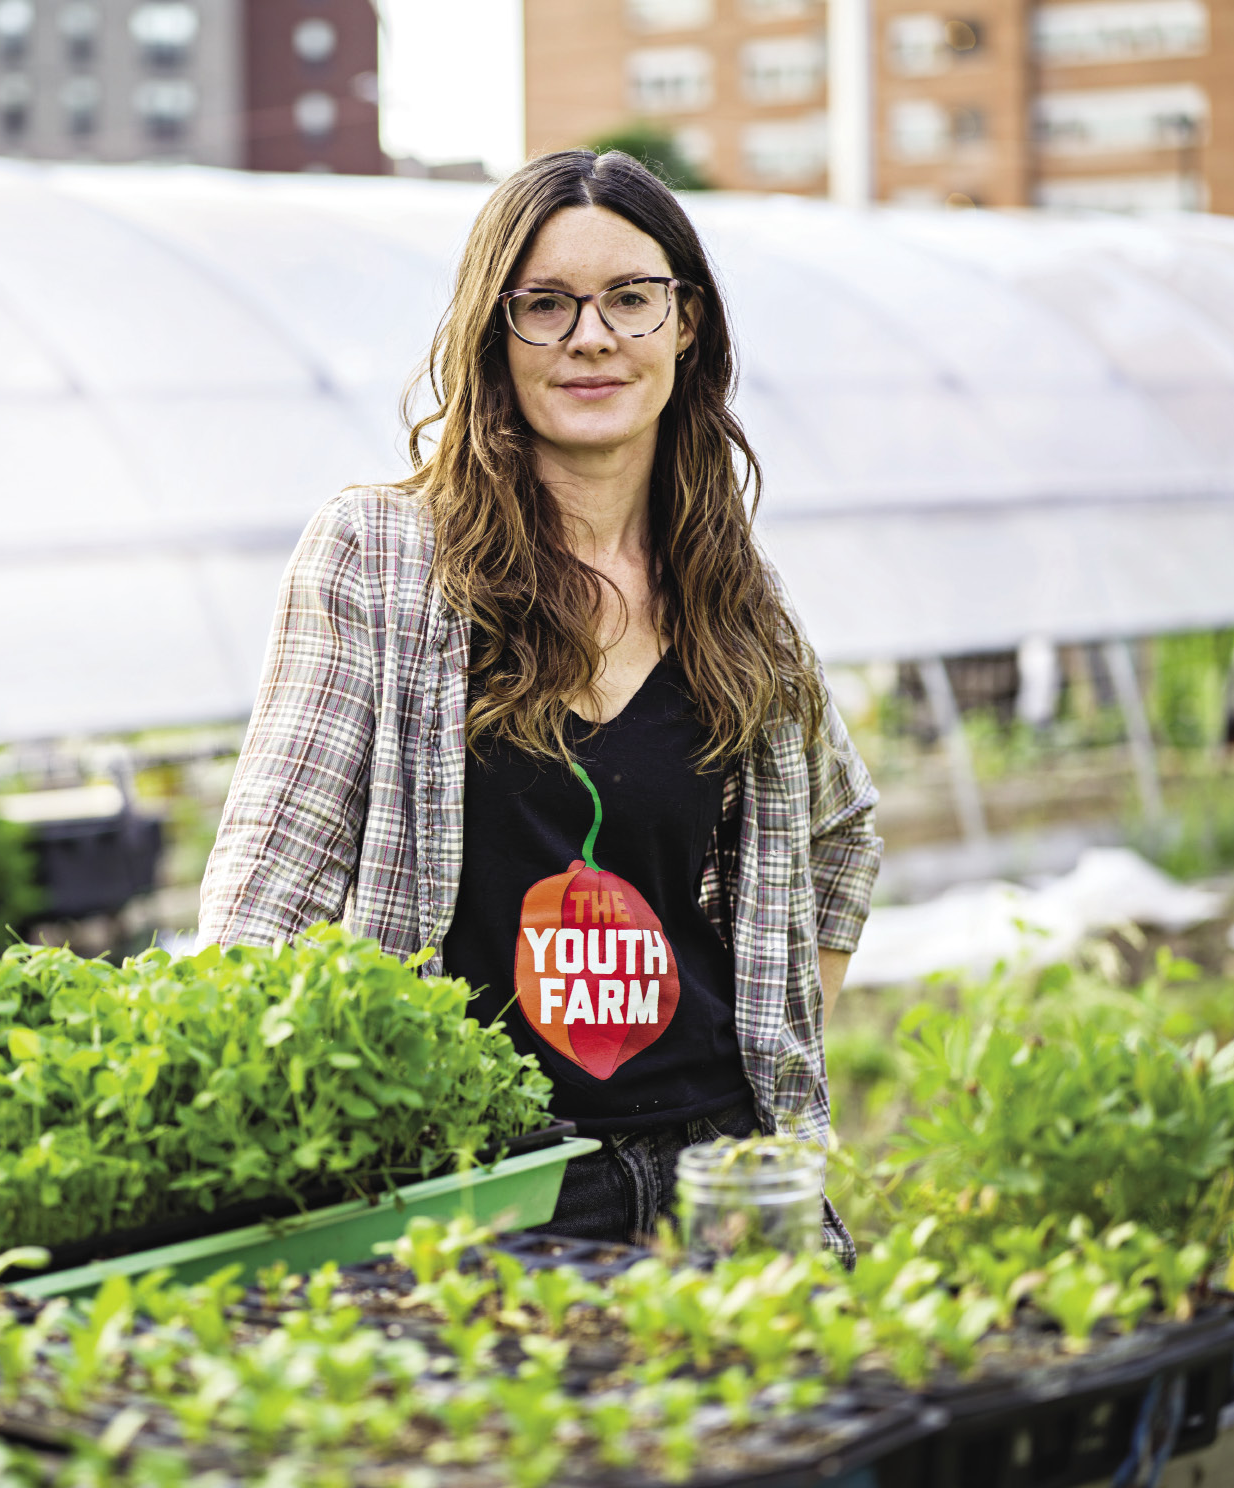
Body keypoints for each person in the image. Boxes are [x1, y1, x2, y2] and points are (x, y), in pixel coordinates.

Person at [198, 149, 880, 1259]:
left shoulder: (729, 590)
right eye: (546, 305)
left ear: (686, 323)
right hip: (479, 1190)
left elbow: (841, 833)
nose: (592, 337)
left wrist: (771, 1051)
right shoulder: (382, 556)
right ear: (494, 333)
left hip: (716, 1184)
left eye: (630, 298)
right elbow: (272, 880)